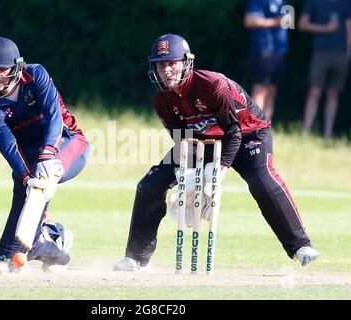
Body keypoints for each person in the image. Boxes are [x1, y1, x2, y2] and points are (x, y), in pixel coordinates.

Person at [113, 33, 319, 272]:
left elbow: (233, 133)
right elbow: (183, 140)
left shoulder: (212, 85)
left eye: (172, 63)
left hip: (248, 134)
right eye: (161, 65)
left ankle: (300, 246)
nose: (167, 70)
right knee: (150, 185)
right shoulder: (162, 100)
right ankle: (137, 258)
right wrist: (189, 180)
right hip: (203, 141)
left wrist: (215, 174)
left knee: (261, 181)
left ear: (186, 63)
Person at [0, 37, 89, 273]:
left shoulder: (36, 75)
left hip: (69, 142)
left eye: (1, 69)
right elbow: (10, 149)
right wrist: (26, 178)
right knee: (24, 184)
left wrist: (48, 155)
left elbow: (54, 117)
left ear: (17, 66)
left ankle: (21, 251)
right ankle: (49, 240)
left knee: (46, 175)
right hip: (31, 154)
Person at [298, 0, 351, 139]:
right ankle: (306, 131)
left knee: (333, 93)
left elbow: (349, 27)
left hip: (341, 54)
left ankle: (328, 134)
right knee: (314, 91)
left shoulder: (346, 3)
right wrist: (324, 28)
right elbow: (302, 24)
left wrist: (348, 53)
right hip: (320, 53)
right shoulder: (314, 2)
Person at [244, 0, 289, 120]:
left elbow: (288, 22)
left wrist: (281, 21)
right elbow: (249, 21)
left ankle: (265, 128)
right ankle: (253, 126)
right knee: (260, 89)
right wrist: (275, 22)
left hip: (280, 51)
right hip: (263, 50)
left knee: (272, 90)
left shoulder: (283, 2)